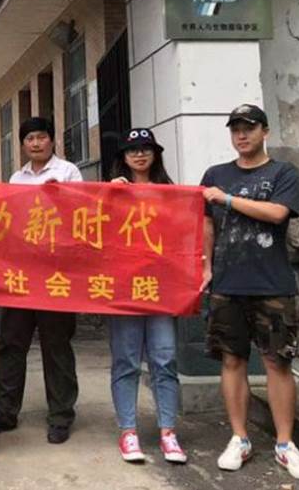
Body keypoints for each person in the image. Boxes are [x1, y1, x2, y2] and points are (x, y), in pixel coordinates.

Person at [201, 104, 299, 481]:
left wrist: (228, 199)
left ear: (265, 131)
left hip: (272, 285)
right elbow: (207, 225)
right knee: (231, 360)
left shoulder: (283, 172)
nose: (241, 135)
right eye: (235, 129)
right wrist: (206, 266)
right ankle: (239, 438)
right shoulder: (215, 175)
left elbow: (278, 213)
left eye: (249, 128)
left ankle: (285, 443)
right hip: (227, 284)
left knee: (277, 363)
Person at [0, 117, 83, 445]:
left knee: (56, 347)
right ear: (23, 144)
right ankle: (4, 412)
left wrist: (61, 196)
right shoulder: (17, 178)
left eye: (42, 137)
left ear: (52, 141)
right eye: (29, 139)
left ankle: (60, 416)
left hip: (56, 276)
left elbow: (82, 215)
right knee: (10, 344)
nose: (36, 143)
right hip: (21, 275)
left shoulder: (69, 172)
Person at [107, 128, 187, 464]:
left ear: (155, 154)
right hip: (124, 289)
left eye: (145, 149)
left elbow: (184, 236)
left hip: (161, 289)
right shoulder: (112, 192)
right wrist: (108, 196)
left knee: (164, 359)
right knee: (126, 361)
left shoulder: (172, 193)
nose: (139, 155)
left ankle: (168, 431)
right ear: (123, 158)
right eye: (132, 150)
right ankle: (128, 431)